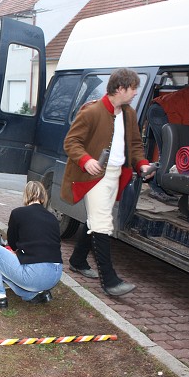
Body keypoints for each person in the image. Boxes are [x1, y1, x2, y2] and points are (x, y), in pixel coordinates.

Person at [62, 68, 155, 296]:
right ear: (121, 88)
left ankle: (77, 259)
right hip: (94, 177)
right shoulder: (92, 111)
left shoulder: (129, 114)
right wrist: (85, 160)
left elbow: (134, 144)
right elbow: (71, 142)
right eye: (133, 88)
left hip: (116, 175)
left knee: (96, 217)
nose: (135, 93)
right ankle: (110, 281)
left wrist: (141, 163)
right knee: (102, 222)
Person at [0, 181, 63, 308]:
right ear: (43, 197)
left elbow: (12, 243)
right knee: (11, 269)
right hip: (55, 275)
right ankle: (35, 294)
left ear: (26, 195)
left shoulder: (18, 213)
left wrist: (17, 251)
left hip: (35, 275)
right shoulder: (52, 218)